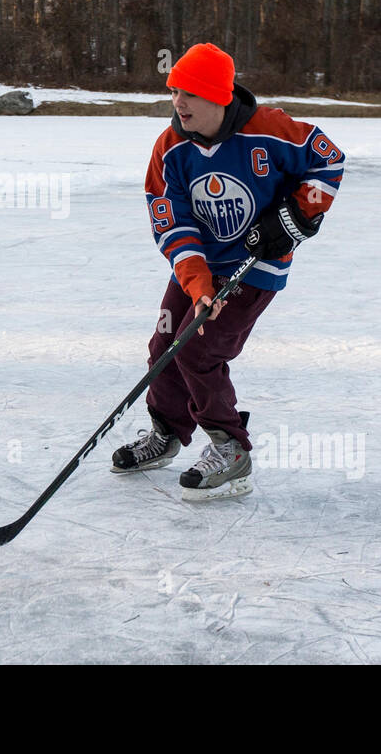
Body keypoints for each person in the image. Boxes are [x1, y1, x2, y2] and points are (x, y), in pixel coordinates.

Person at [112, 43, 345, 500]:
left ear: (220, 96)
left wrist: (298, 216)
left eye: (191, 94)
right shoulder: (170, 149)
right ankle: (166, 432)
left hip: (256, 267)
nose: (179, 103)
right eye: (174, 91)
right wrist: (198, 285)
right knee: (165, 342)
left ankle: (231, 449)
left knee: (198, 350)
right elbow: (172, 224)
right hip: (201, 265)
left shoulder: (271, 130)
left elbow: (329, 160)